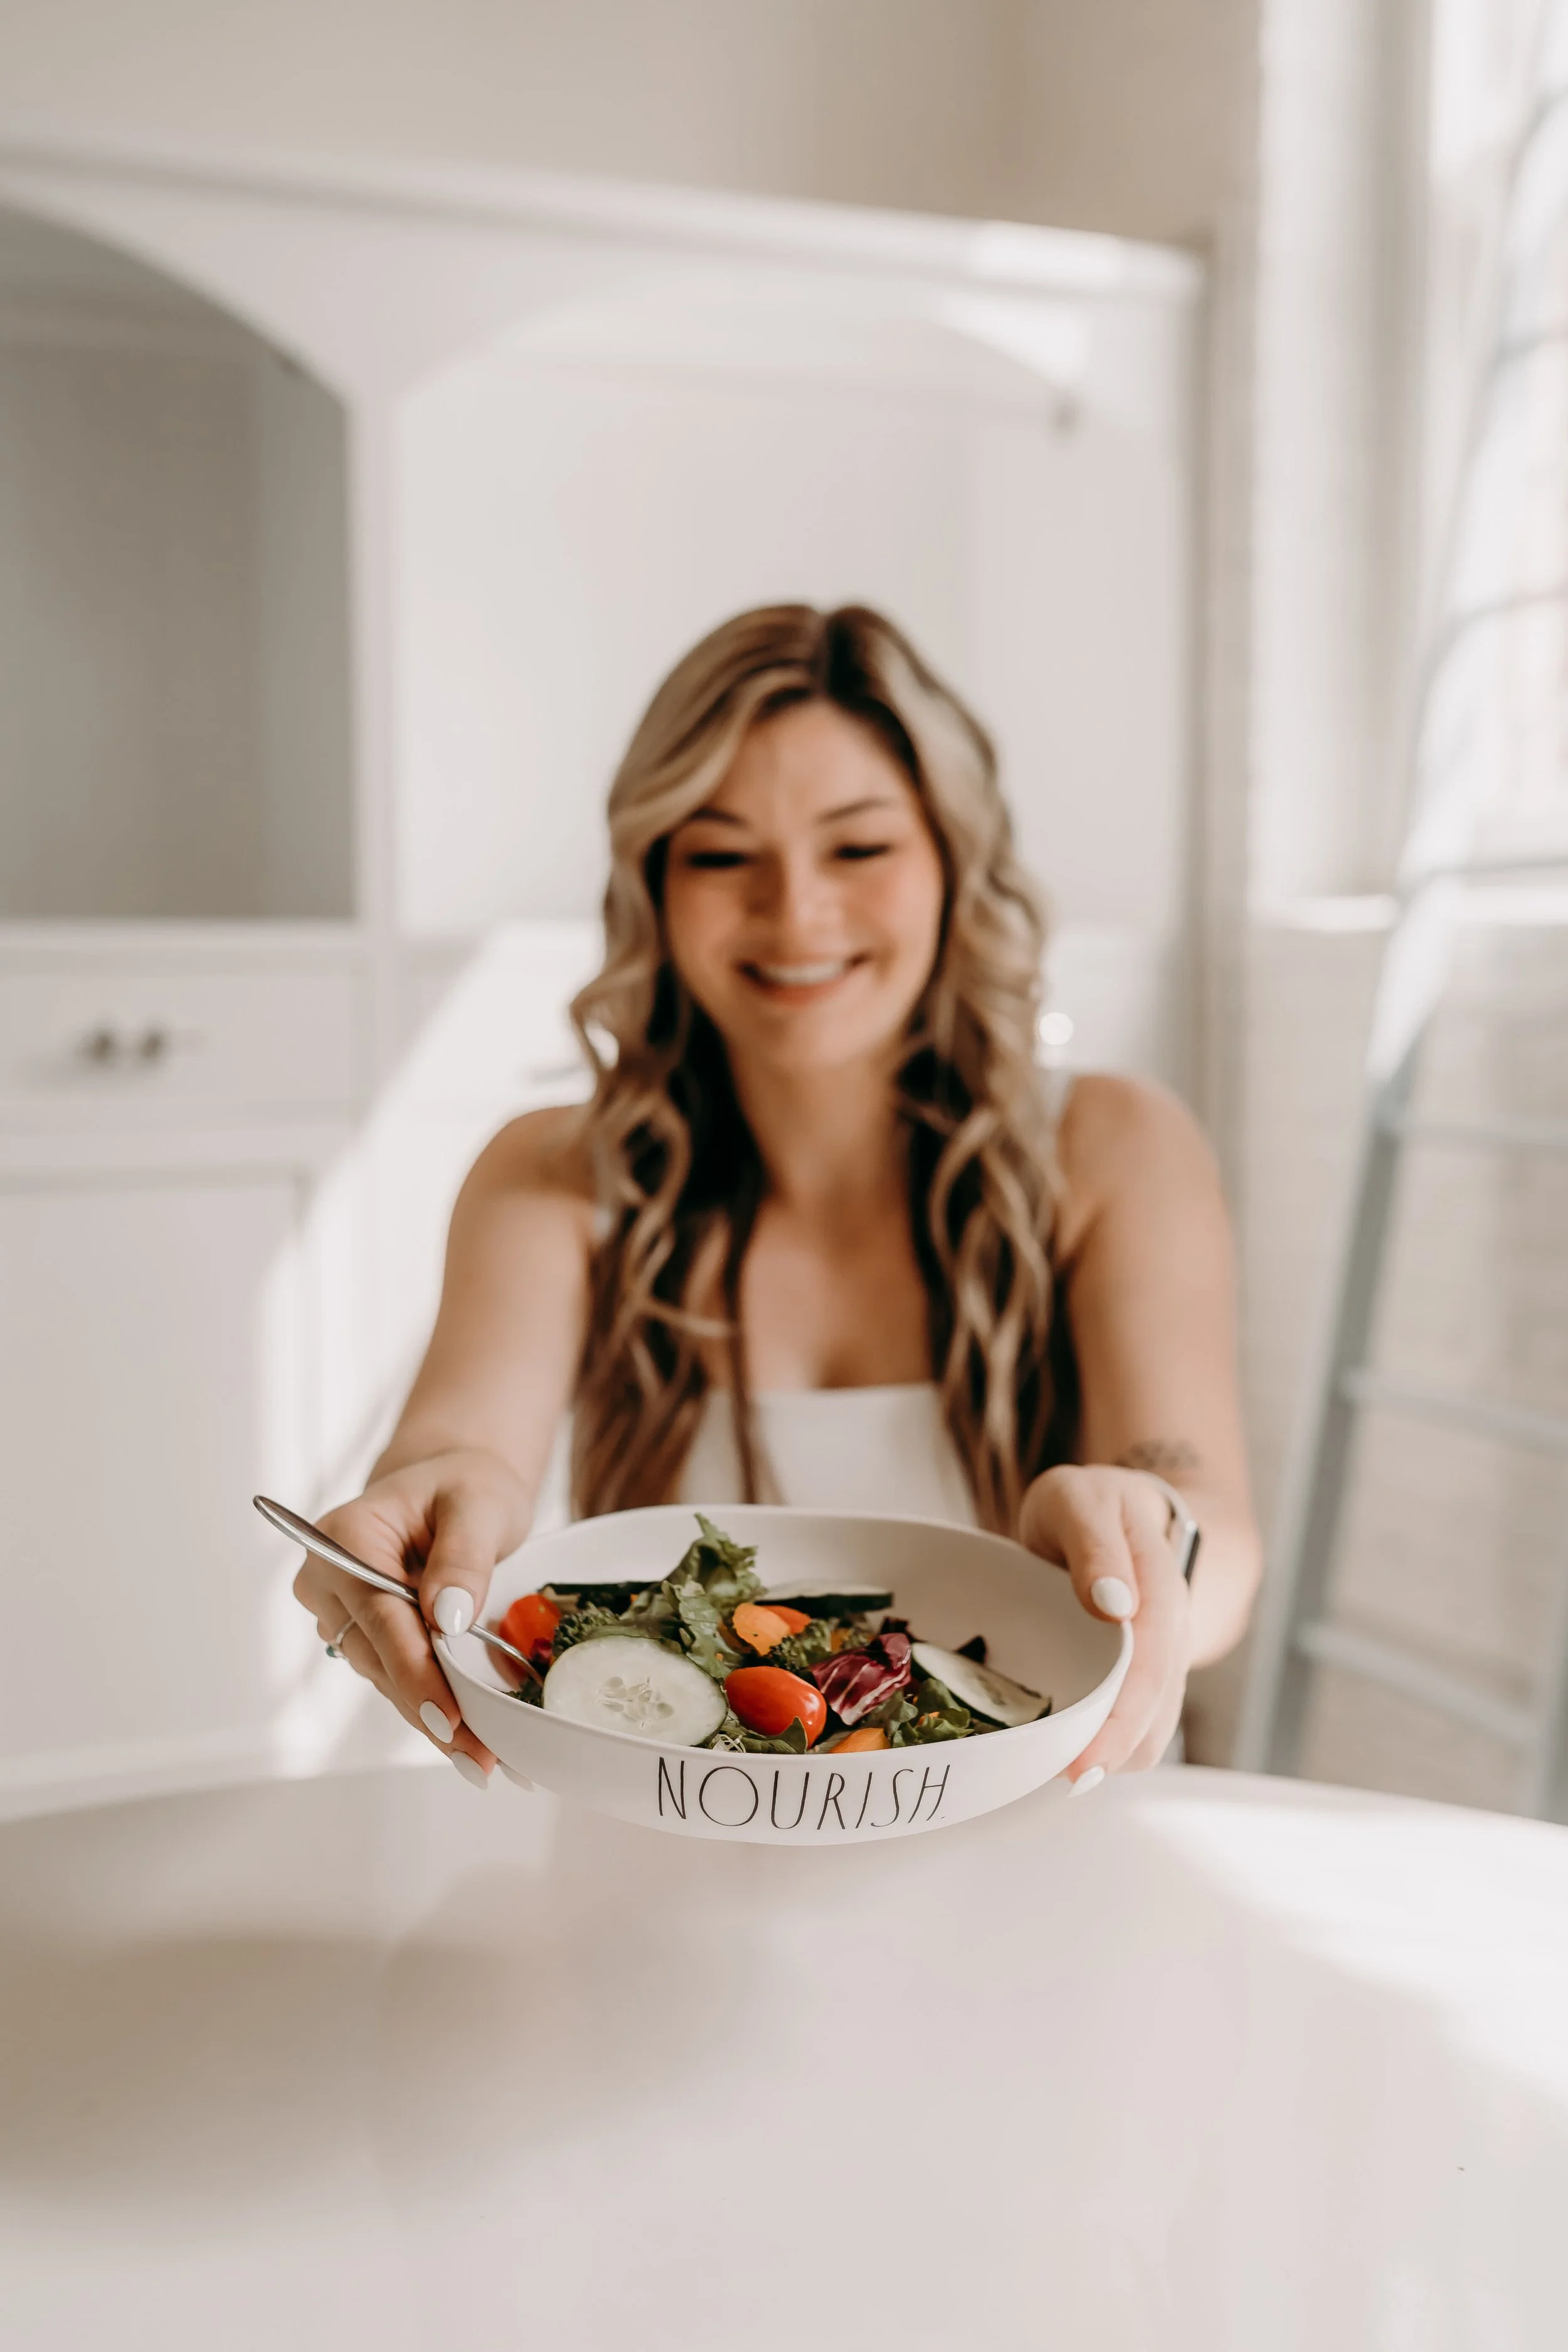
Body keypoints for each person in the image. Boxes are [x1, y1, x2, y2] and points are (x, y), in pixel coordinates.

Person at [294, 604, 1261, 1790]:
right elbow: (461, 1450)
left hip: (1052, 1836)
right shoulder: (551, 1174)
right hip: (665, 1844)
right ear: (653, 884)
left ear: (954, 862)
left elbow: (1215, 1534)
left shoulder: (1115, 1146)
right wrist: (424, 1518)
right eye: (719, 854)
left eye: (858, 849)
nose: (796, 910)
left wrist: (1148, 1530)